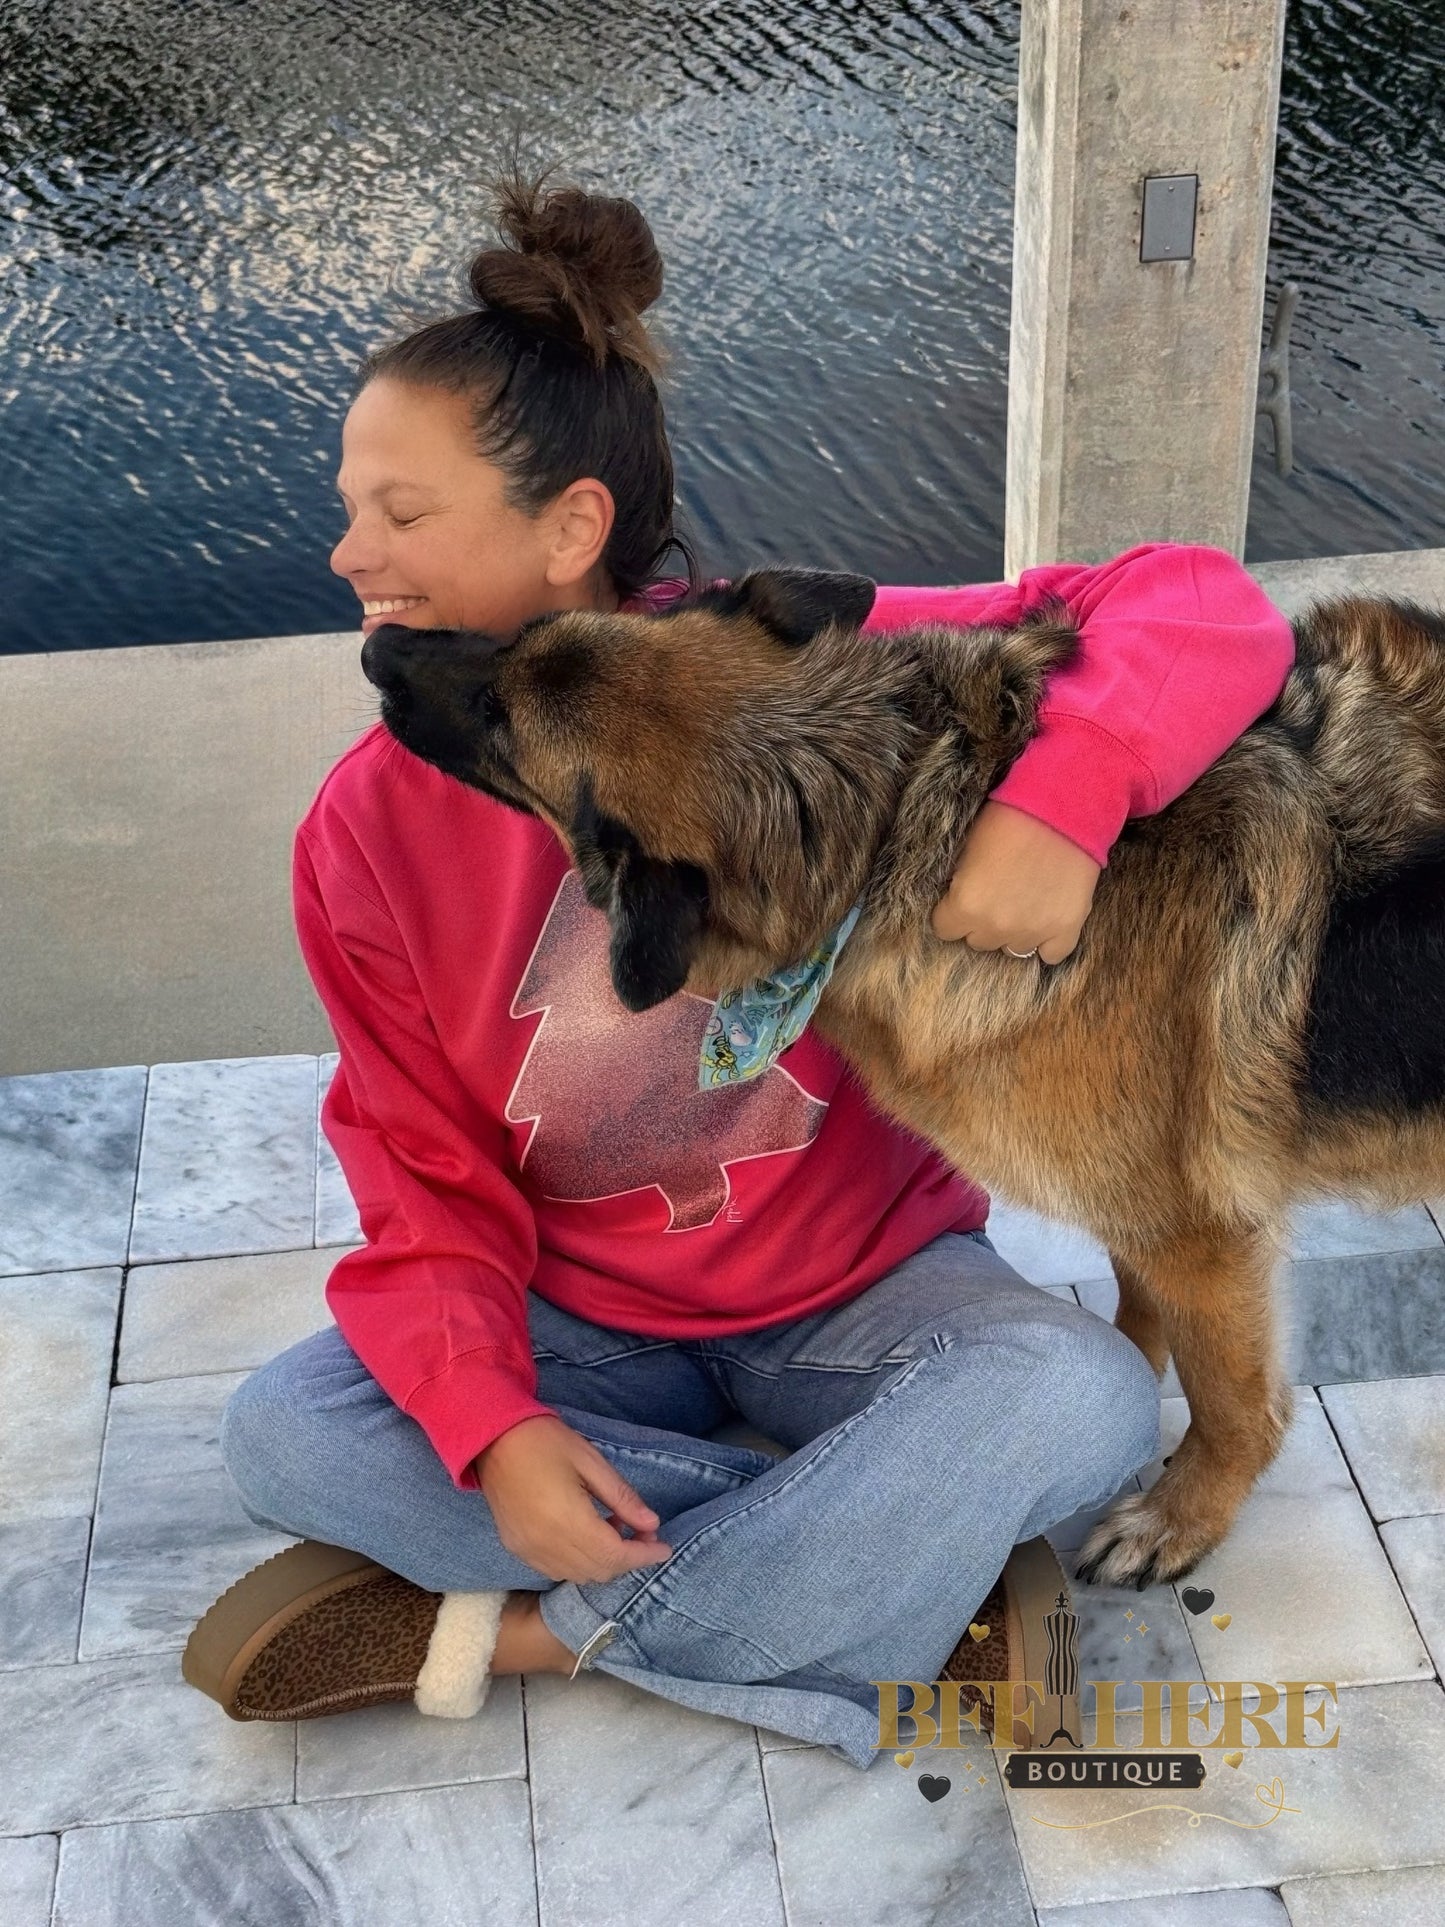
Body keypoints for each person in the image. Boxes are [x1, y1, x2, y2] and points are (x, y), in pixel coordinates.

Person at [182, 167, 1296, 1771]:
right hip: (577, 1319)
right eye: (352, 504)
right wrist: (494, 1424)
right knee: (287, 1434)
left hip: (868, 1299)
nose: (349, 552)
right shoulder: (365, 828)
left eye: (402, 513)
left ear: (571, 525)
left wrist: (1063, 795)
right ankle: (908, 1590)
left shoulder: (793, 677)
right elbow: (417, 1165)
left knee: (1086, 1405)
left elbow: (1188, 601)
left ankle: (524, 1641)